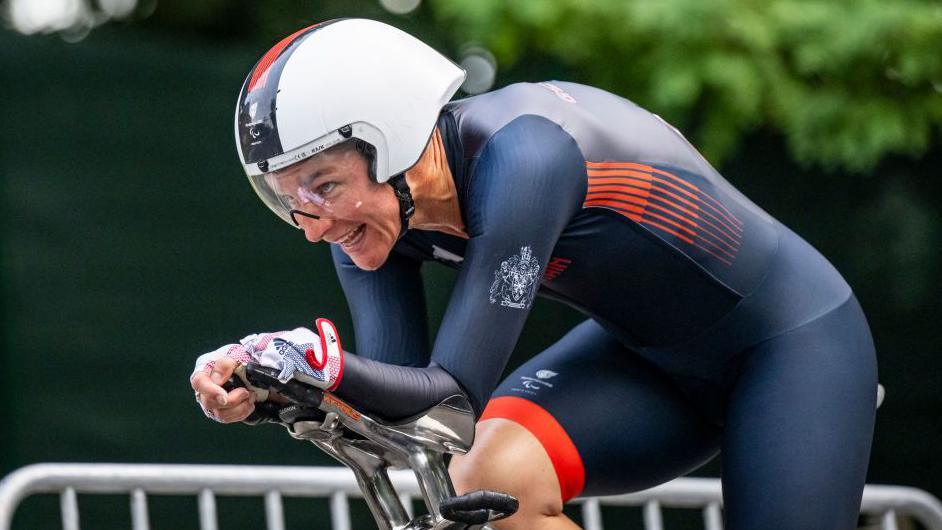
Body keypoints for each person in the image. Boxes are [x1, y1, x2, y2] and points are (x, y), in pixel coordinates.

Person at [190, 18, 879, 530]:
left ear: (392, 139)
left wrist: (320, 365)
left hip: (791, 347)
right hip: (648, 359)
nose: (312, 224)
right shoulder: (371, 219)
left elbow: (449, 395)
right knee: (490, 481)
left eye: (324, 187)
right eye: (289, 199)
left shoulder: (525, 155)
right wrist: (268, 383)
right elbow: (403, 418)